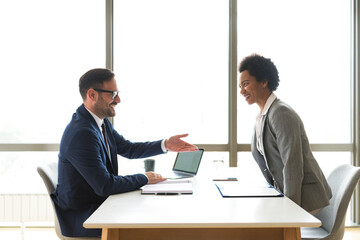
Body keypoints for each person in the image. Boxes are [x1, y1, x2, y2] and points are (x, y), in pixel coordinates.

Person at [51, 68, 198, 238]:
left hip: (100, 205)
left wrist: (165, 144)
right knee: (154, 227)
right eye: (113, 94)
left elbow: (128, 148)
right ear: (92, 95)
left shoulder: (100, 123)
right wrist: (145, 178)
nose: (118, 100)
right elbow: (105, 185)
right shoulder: (82, 133)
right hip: (85, 217)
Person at [238, 54, 332, 214]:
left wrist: (290, 211)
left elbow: (292, 165)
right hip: (286, 196)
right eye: (240, 86)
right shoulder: (262, 116)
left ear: (264, 81)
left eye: (245, 84)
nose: (242, 91)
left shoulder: (280, 113)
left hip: (305, 199)